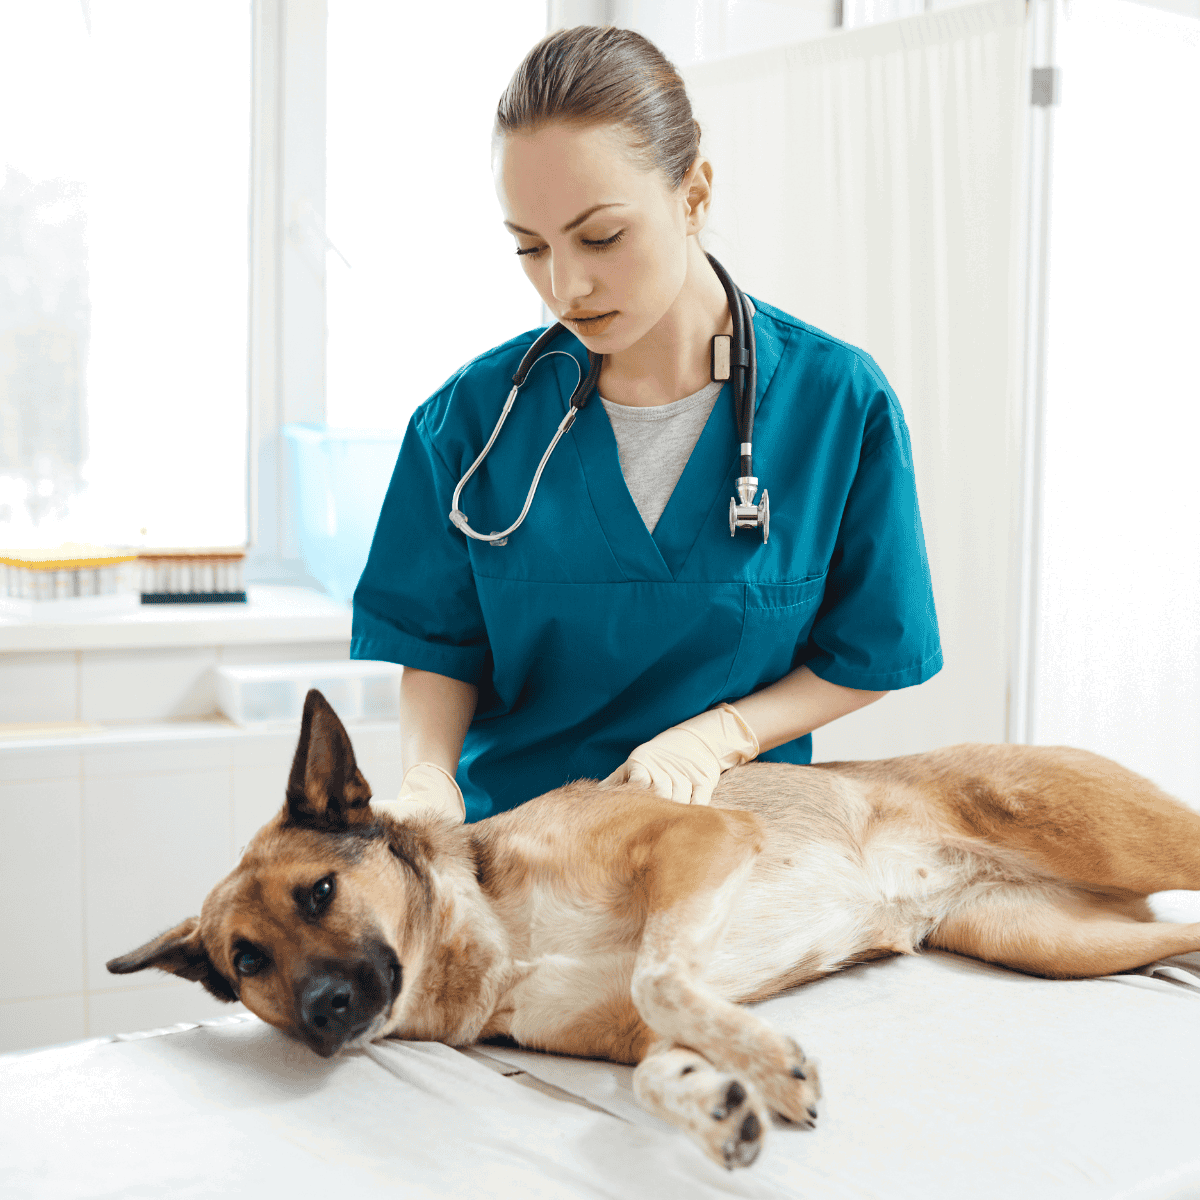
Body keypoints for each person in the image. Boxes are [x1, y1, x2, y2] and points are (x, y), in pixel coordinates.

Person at [351, 25, 942, 825]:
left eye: (601, 237)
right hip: (518, 856)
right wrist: (429, 779)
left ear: (693, 196)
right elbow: (436, 647)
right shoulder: (470, 422)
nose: (566, 285)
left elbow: (872, 650)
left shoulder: (836, 402)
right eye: (530, 247)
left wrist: (727, 734)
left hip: (735, 857)